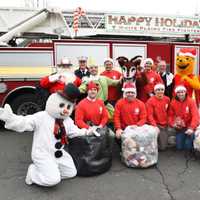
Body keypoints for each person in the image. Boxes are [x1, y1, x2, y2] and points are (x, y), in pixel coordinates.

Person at [168, 85, 199, 150]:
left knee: (188, 147)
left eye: (182, 92)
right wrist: (173, 123)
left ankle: (192, 138)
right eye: (178, 92)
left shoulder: (191, 101)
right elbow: (170, 115)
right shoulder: (173, 102)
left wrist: (191, 128)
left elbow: (195, 116)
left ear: (185, 92)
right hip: (180, 127)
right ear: (176, 93)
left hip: (190, 126)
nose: (180, 94)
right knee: (179, 147)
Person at [146, 83, 170, 150]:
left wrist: (169, 122)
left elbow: (168, 112)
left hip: (164, 124)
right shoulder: (150, 101)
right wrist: (155, 126)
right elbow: (149, 115)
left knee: (163, 147)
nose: (160, 91)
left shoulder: (167, 99)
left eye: (162, 89)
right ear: (155, 91)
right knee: (159, 147)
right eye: (158, 90)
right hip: (155, 124)